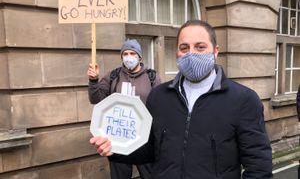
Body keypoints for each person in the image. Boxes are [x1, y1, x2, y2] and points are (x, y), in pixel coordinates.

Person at [90, 20, 273, 179]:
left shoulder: (243, 100)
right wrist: (116, 148)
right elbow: (148, 151)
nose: (191, 53)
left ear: (215, 51)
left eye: (200, 47)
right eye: (184, 48)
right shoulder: (159, 96)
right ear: (176, 52)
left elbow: (258, 165)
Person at [87, 39, 161, 179]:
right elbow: (96, 99)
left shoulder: (152, 77)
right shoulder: (113, 76)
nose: (128, 57)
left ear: (139, 56)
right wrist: (94, 81)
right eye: (125, 53)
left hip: (144, 138)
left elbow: (160, 106)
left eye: (132, 53)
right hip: (117, 139)